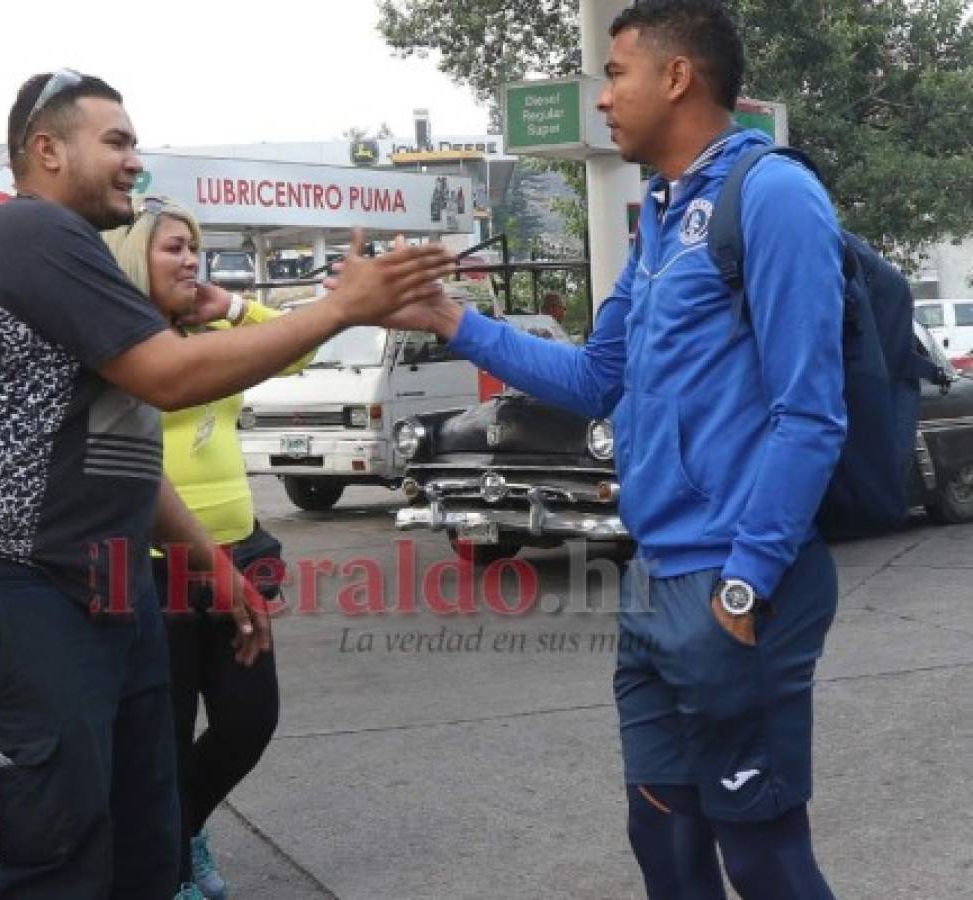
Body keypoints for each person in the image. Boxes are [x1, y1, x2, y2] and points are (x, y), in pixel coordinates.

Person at [0, 70, 452, 900]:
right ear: (47, 151)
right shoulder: (26, 231)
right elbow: (169, 377)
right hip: (12, 592)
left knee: (145, 847)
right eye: (117, 142)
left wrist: (212, 563)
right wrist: (342, 308)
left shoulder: (77, 265)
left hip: (101, 595)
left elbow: (129, 450)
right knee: (56, 864)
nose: (135, 162)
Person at [389, 2, 845, 897]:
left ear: (677, 77)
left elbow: (810, 411)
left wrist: (745, 577)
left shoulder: (774, 196)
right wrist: (455, 322)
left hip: (733, 584)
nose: (601, 98)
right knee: (663, 839)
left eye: (615, 72)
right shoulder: (664, 214)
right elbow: (600, 379)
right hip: (653, 580)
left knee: (761, 851)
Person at [102, 198, 308, 899]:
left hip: (242, 553)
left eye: (194, 248)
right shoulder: (118, 348)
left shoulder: (204, 333)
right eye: (172, 249)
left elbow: (299, 345)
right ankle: (164, 863)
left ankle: (175, 834)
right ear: (133, 258)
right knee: (162, 732)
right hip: (154, 567)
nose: (190, 260)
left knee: (249, 721)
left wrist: (231, 305)